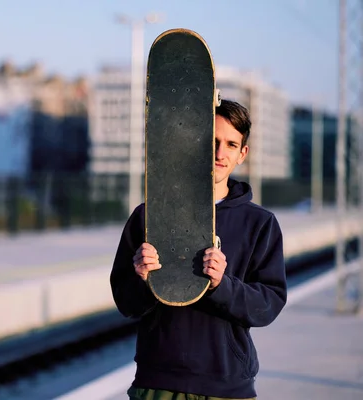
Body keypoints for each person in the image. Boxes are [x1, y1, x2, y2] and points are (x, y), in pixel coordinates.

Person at [110, 99, 287, 400]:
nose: (220, 153)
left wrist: (223, 284)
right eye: (212, 141)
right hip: (158, 384)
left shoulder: (260, 224)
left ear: (242, 154)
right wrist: (141, 279)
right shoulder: (149, 215)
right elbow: (125, 303)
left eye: (231, 144)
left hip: (226, 388)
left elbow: (268, 304)